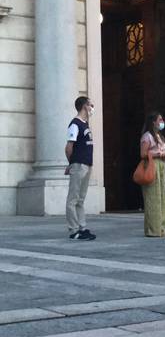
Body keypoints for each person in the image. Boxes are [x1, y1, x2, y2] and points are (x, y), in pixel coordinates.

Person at [65, 96, 96, 240]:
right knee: (73, 198)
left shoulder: (85, 124)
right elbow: (69, 147)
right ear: (84, 106)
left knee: (80, 199)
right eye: (91, 105)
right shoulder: (75, 124)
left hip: (87, 164)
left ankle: (83, 227)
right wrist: (71, 163)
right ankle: (73, 230)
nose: (92, 108)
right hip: (78, 164)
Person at [140, 112, 165, 237]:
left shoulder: (159, 136)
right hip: (152, 165)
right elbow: (143, 154)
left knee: (162, 197)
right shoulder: (147, 136)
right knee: (153, 198)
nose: (162, 121)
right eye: (160, 119)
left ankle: (162, 227)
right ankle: (153, 229)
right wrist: (159, 155)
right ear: (153, 122)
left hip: (161, 166)